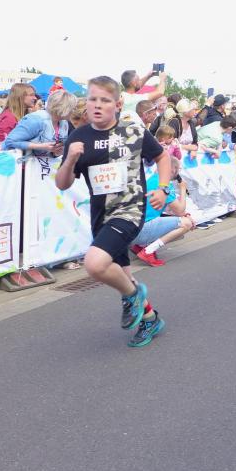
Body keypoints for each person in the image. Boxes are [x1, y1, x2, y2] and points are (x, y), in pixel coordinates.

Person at [55, 76, 171, 348]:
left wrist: (163, 188)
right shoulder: (78, 137)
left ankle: (134, 295)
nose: (97, 105)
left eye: (105, 100)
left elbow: (162, 156)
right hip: (101, 216)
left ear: (118, 105)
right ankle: (150, 319)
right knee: (122, 276)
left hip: (130, 210)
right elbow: (62, 184)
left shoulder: (133, 131)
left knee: (95, 264)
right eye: (92, 99)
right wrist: (70, 160)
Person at [131, 157, 194, 267]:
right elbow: (180, 210)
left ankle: (140, 246)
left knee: (181, 221)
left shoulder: (151, 179)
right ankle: (148, 251)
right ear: (173, 170)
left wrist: (185, 215)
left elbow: (168, 209)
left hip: (132, 230)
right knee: (186, 224)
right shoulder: (165, 185)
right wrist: (183, 189)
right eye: (178, 169)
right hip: (142, 229)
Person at [3, 90, 77, 157]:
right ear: (64, 107)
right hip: (20, 164)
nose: (74, 111)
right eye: (72, 108)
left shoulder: (64, 122)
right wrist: (40, 146)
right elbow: (10, 141)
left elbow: (51, 152)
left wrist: (56, 152)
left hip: (42, 165)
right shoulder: (35, 120)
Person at [0, 83, 36, 149]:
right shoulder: (8, 118)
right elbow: (3, 146)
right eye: (31, 95)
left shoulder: (20, 116)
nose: (35, 98)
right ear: (20, 96)